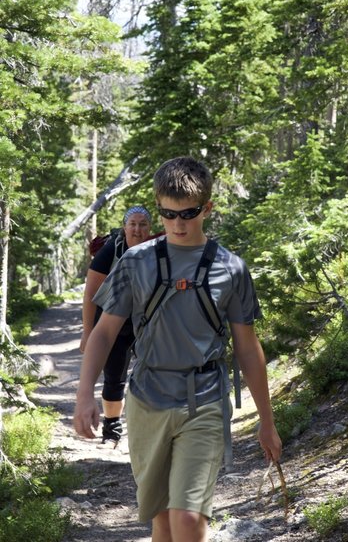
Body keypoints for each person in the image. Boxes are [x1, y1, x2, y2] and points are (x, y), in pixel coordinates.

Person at [74, 156, 282, 542]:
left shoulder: (230, 268)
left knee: (187, 517)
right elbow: (104, 332)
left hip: (203, 400)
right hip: (148, 399)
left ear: (207, 208)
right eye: (167, 215)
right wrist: (85, 394)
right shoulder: (136, 263)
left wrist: (266, 423)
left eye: (187, 213)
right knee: (163, 520)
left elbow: (248, 349)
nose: (177, 224)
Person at [80, 205, 152, 445]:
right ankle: (112, 429)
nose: (137, 229)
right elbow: (90, 294)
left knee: (152, 374)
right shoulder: (110, 251)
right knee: (114, 377)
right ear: (124, 227)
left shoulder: (158, 250)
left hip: (145, 324)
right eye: (132, 224)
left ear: (150, 228)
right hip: (112, 324)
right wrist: (87, 334)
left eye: (142, 224)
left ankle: (150, 427)